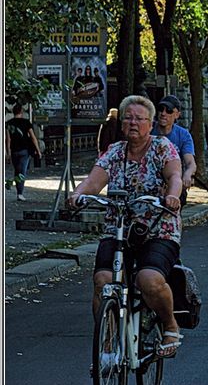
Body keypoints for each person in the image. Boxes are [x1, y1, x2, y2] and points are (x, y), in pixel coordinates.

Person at [68, 95, 184, 359]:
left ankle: (170, 325)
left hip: (157, 228)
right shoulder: (114, 151)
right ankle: (107, 339)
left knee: (149, 280)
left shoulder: (162, 148)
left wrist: (173, 196)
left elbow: (174, 176)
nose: (133, 123)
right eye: (128, 118)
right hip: (118, 228)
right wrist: (78, 195)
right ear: (121, 123)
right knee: (103, 281)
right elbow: (93, 181)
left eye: (139, 119)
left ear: (151, 123)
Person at [153, 95, 196, 208]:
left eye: (169, 111)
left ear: (177, 115)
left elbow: (190, 163)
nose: (163, 113)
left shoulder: (183, 135)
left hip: (173, 184)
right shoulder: (148, 130)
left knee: (171, 222)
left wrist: (187, 174)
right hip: (149, 185)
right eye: (161, 109)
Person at [5, 103, 42, 202]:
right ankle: (19, 193)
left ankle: (15, 188)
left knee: (17, 171)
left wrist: (8, 153)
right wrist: (38, 150)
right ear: (21, 112)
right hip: (24, 151)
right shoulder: (26, 123)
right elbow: (33, 137)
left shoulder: (9, 123)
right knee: (22, 172)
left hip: (14, 151)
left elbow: (8, 140)